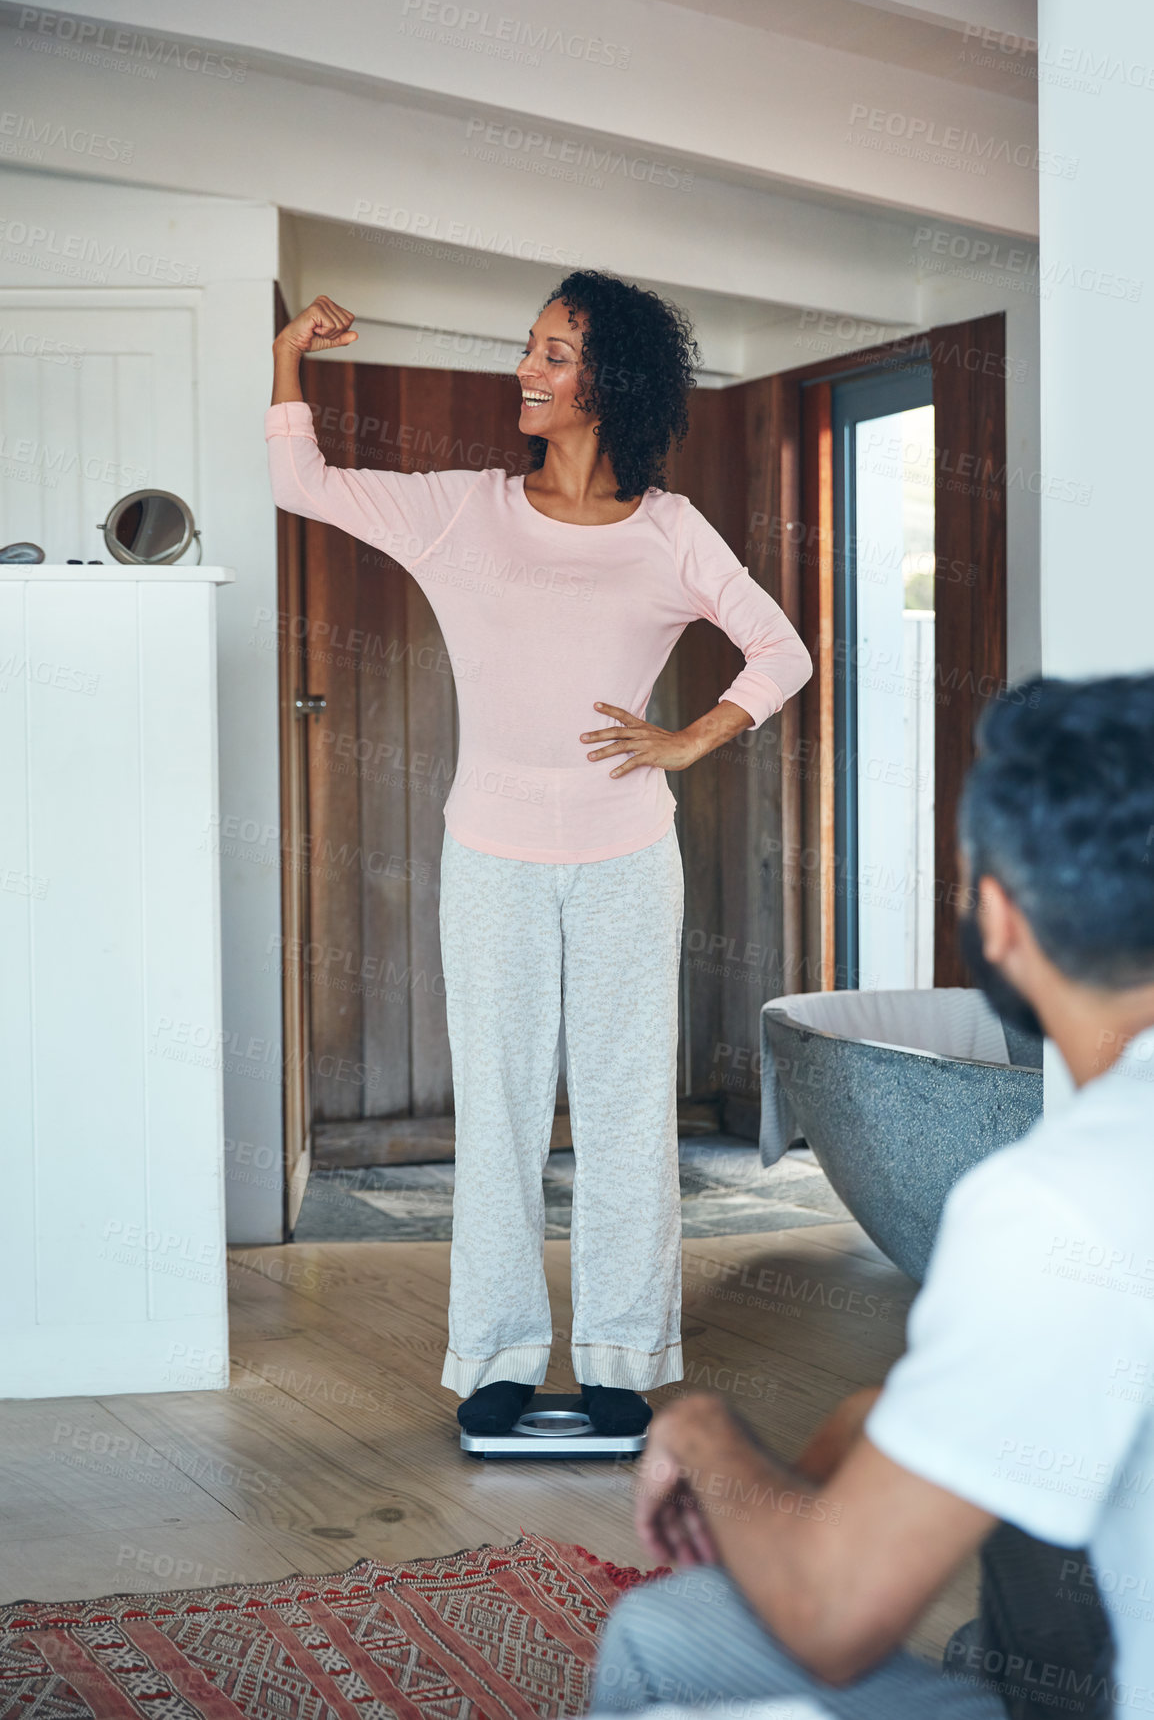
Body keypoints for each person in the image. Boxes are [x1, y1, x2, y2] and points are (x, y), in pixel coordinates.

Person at [265, 274, 813, 1437]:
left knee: (624, 1111)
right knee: (502, 1112)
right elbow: (296, 482)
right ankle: (498, 1357)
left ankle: (619, 1354)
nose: (526, 368)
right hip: (491, 857)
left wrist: (687, 739)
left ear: (607, 381)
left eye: (553, 353)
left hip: (626, 858)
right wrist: (286, 359)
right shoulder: (461, 511)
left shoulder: (669, 531)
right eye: (529, 347)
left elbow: (781, 648)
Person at [590, 672, 1154, 1719]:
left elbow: (832, 1615)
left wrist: (701, 1433)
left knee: (662, 1651)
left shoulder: (1057, 1201)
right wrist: (874, 1421)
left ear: (995, 915)